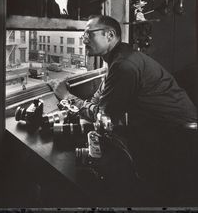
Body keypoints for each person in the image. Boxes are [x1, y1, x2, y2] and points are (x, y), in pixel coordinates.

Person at [52, 14, 198, 204]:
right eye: (83, 34)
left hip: (178, 136)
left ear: (110, 35)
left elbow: (104, 116)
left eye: (89, 34)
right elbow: (100, 99)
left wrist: (66, 97)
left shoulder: (124, 65)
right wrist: (82, 104)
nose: (84, 39)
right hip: (165, 130)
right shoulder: (118, 59)